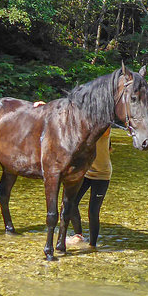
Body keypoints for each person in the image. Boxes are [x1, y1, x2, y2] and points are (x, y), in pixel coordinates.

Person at [33, 101, 112, 249]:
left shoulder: (103, 127)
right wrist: (47, 107)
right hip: (85, 172)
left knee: (93, 211)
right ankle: (78, 235)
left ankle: (92, 245)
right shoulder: (82, 126)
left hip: (102, 175)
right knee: (71, 203)